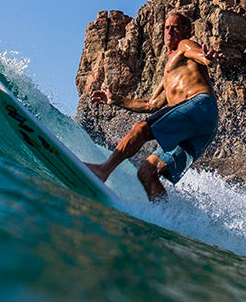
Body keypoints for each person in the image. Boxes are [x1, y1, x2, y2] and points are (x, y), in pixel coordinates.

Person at [85, 12, 222, 201]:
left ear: (185, 31)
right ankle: (166, 216)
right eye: (166, 27)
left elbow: (202, 56)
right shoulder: (170, 72)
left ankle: (102, 170)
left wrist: (209, 58)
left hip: (200, 106)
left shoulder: (185, 46)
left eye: (175, 27)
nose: (169, 31)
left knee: (140, 128)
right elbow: (152, 104)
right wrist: (115, 99)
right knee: (146, 171)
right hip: (203, 127)